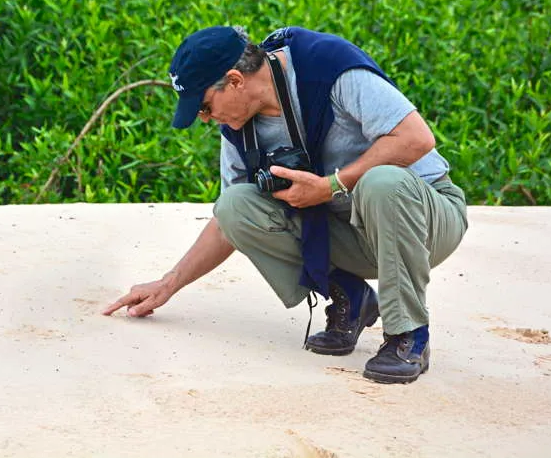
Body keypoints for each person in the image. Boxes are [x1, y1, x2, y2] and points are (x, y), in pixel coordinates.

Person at [103, 26, 468, 384]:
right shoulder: (237, 128)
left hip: (426, 220)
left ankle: (409, 335)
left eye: (204, 106)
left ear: (234, 80)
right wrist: (169, 284)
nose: (204, 119)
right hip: (352, 235)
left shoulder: (328, 66)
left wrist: (330, 186)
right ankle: (351, 299)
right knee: (236, 205)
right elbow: (227, 223)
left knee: (381, 181)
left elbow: (417, 138)